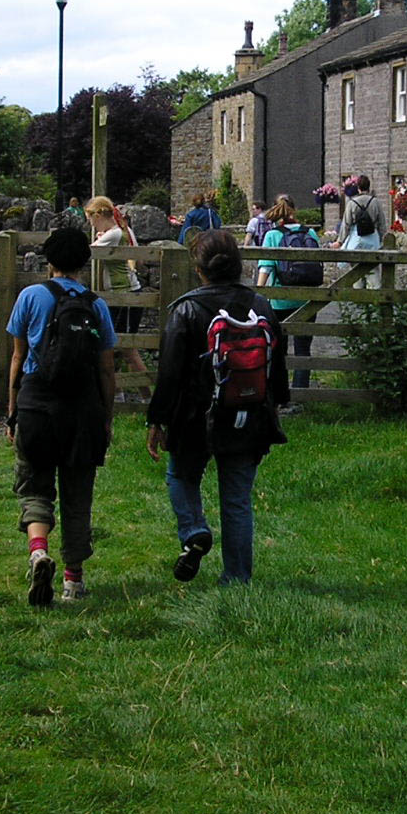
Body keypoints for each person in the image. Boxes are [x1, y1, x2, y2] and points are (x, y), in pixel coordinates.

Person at [147, 230, 288, 585]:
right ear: (239, 265)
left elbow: (170, 373)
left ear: (199, 269)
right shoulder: (262, 306)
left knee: (181, 476)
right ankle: (237, 577)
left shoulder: (187, 309)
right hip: (248, 415)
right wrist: (276, 405)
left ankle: (194, 530)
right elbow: (278, 365)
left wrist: (157, 420)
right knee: (237, 498)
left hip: (195, 417)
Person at [5, 227, 117, 605]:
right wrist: (106, 416)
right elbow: (106, 368)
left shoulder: (30, 296)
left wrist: (12, 410)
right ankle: (73, 581)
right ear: (84, 263)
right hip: (82, 407)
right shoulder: (96, 305)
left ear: (48, 260)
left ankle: (38, 551)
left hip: (37, 403)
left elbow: (18, 358)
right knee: (77, 495)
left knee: (35, 486)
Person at [84, 194, 150, 390]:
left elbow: (87, 252)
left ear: (98, 216)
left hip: (126, 294)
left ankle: (146, 395)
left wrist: (99, 240)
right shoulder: (124, 230)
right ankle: (118, 391)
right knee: (114, 346)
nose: (93, 227)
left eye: (92, 221)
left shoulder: (113, 235)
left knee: (128, 348)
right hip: (123, 294)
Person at [256, 195, 315, 395]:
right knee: (303, 349)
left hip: (280, 301)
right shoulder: (311, 233)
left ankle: (279, 394)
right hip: (306, 301)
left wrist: (258, 294)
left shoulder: (272, 235)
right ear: (294, 211)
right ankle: (300, 393)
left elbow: (265, 267)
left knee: (278, 350)